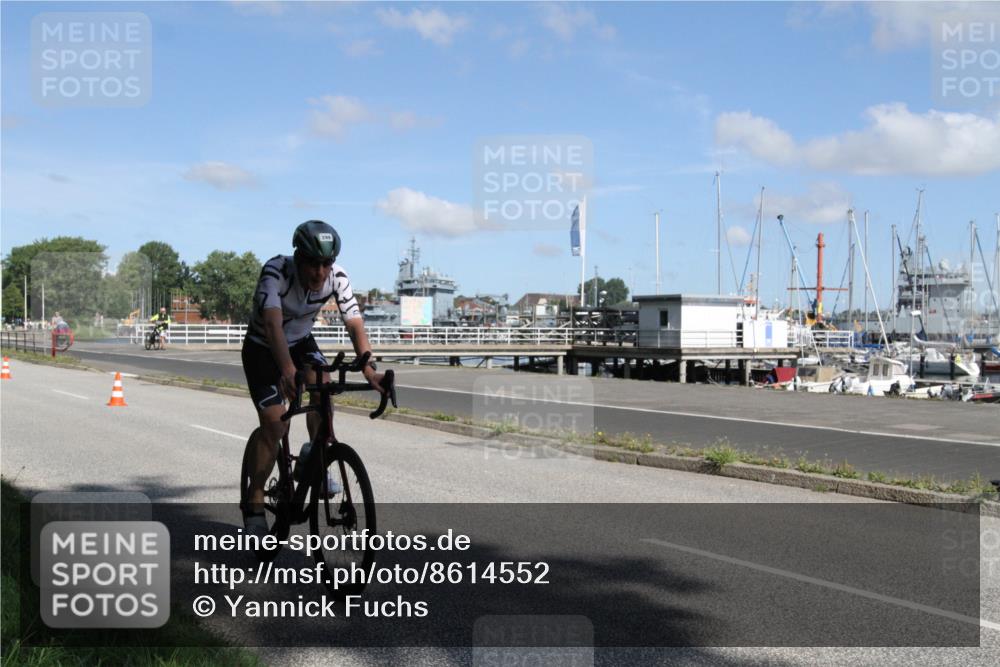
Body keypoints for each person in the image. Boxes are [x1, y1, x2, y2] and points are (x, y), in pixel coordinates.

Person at [241, 220, 384, 536]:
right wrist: (288, 372)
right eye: (312, 263)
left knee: (324, 387)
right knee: (276, 423)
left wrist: (369, 368)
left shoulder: (338, 278)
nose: (320, 272)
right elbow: (274, 326)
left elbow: (355, 324)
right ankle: (254, 498)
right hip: (264, 346)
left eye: (326, 264)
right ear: (298, 257)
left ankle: (313, 456)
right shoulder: (276, 272)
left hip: (301, 341)